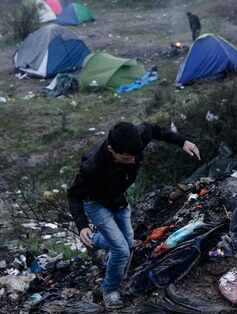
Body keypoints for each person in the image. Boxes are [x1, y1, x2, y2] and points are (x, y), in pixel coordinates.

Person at [67, 121, 201, 309]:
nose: (133, 161)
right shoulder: (92, 165)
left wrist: (182, 142)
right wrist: (82, 225)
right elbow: (74, 194)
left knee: (127, 243)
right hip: (96, 203)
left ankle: (94, 242)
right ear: (111, 149)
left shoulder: (136, 138)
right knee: (121, 250)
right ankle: (110, 290)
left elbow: (155, 129)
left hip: (118, 199)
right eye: (126, 158)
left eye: (135, 157)